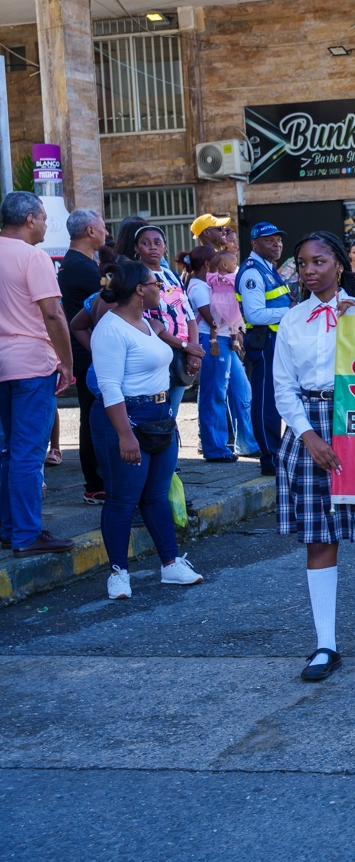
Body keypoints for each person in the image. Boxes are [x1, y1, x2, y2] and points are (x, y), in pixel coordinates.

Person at [274, 232, 355, 682]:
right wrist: (308, 435)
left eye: (319, 261)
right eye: (303, 263)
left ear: (338, 265)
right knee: (319, 538)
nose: (310, 270)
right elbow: (283, 387)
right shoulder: (291, 320)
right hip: (308, 428)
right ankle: (325, 644)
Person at [91, 261, 205, 599]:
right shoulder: (110, 329)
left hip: (160, 414)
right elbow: (109, 387)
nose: (162, 288)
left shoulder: (148, 324)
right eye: (156, 283)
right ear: (140, 289)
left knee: (156, 496)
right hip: (126, 417)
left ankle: (170, 565)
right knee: (122, 500)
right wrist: (125, 434)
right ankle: (118, 572)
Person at [0, 192, 75, 555]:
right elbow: (53, 315)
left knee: (9, 452)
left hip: (2, 365)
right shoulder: (34, 257)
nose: (46, 224)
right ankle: (27, 534)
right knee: (29, 454)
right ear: (30, 219)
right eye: (44, 218)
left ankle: (8, 528)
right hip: (31, 363)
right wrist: (67, 362)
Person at [57, 208, 109, 503]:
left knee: (95, 416)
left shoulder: (82, 263)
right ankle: (95, 483)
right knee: (94, 417)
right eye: (101, 227)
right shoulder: (80, 266)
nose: (105, 232)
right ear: (90, 231)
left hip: (89, 350)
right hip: (88, 352)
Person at [238, 222, 290, 477]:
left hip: (275, 341)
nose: (277, 244)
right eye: (270, 240)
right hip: (263, 341)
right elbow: (254, 313)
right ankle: (269, 457)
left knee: (277, 399)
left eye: (279, 240)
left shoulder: (267, 268)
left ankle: (277, 452)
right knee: (265, 401)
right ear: (255, 243)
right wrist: (291, 312)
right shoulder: (252, 272)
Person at [133, 225, 202, 415]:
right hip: (156, 354)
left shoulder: (171, 275)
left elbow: (188, 314)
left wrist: (193, 350)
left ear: (164, 247)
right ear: (136, 248)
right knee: (157, 414)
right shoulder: (136, 277)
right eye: (145, 243)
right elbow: (148, 323)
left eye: (157, 243)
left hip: (181, 353)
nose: (152, 247)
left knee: (173, 411)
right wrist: (185, 346)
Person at [186, 247, 240, 463]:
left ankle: (217, 444)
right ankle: (214, 447)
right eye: (219, 263)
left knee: (217, 391)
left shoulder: (207, 285)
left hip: (219, 340)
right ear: (208, 265)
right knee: (213, 393)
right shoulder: (198, 287)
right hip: (211, 342)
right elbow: (213, 319)